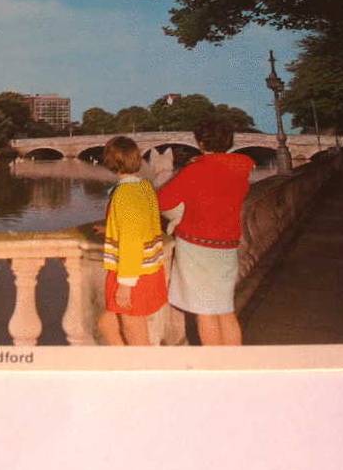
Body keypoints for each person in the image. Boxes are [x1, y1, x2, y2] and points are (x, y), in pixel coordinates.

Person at [157, 118, 254, 346]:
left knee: (206, 312)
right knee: (225, 309)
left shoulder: (196, 170)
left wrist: (187, 169)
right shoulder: (240, 169)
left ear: (200, 142)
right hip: (228, 244)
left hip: (197, 246)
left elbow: (162, 201)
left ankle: (214, 367)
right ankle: (234, 362)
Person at [98, 136, 168, 346]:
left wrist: (125, 285)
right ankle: (128, 369)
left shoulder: (125, 194)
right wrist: (110, 229)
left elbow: (131, 239)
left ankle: (142, 375)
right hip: (147, 268)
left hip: (131, 273)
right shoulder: (144, 187)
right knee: (106, 324)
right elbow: (140, 224)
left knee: (135, 333)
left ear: (110, 161)